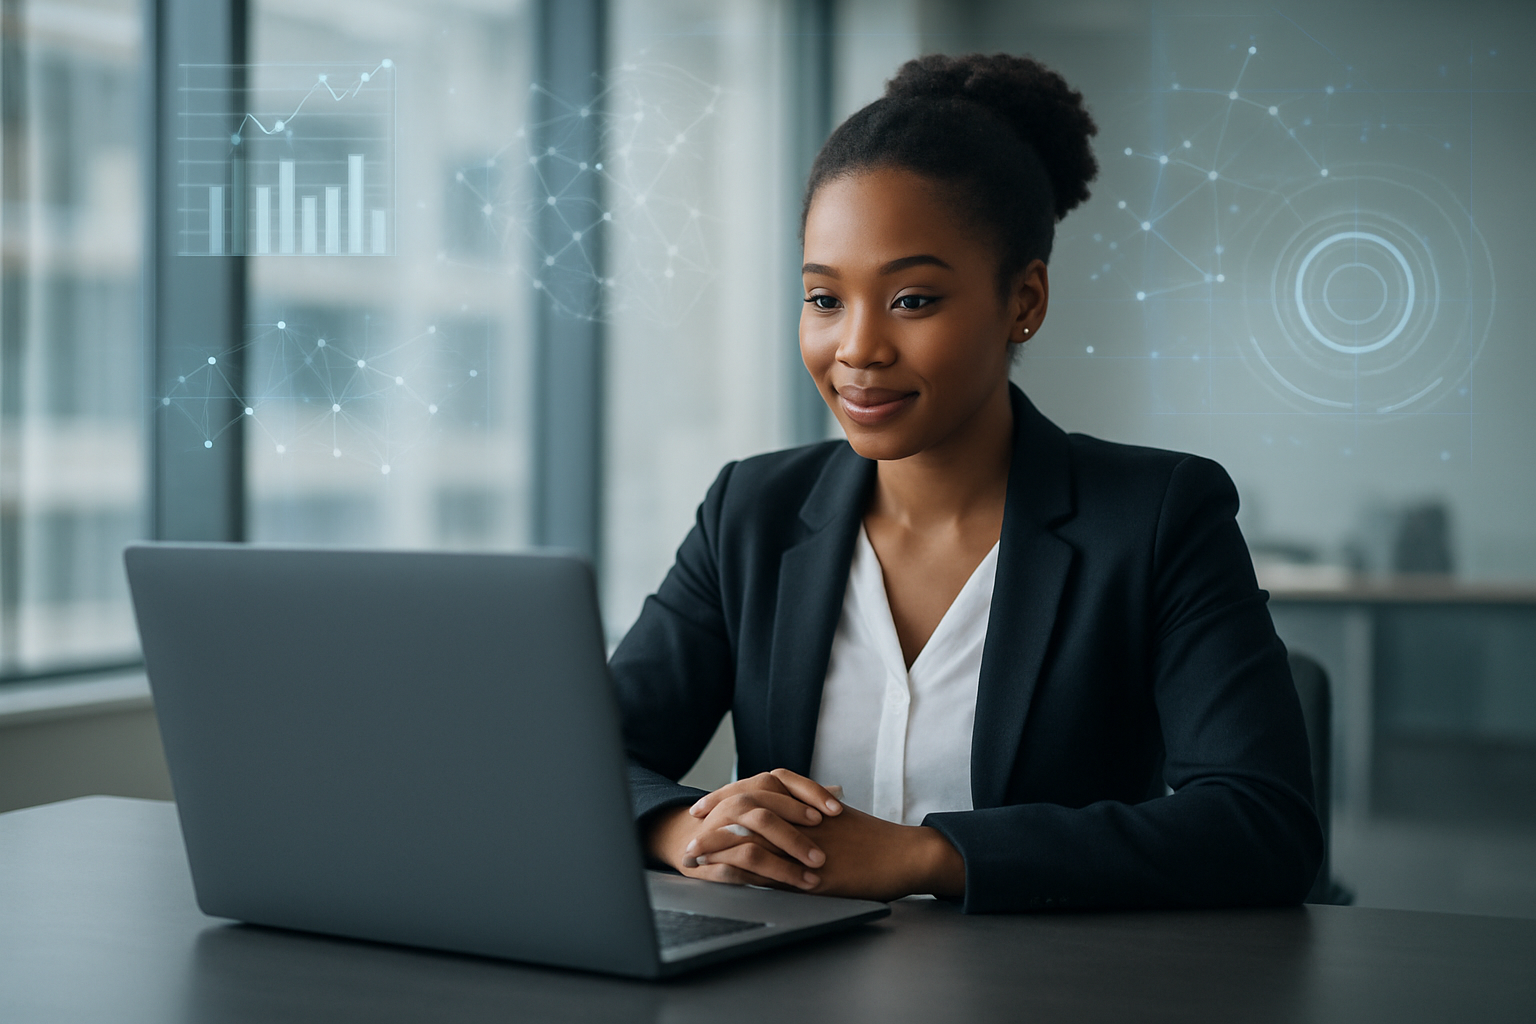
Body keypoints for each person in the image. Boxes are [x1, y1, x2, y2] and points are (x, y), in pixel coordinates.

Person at [610, 52, 1322, 913]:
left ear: (1023, 300)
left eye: (912, 299)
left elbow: (1262, 825)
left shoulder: (1158, 518)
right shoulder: (750, 514)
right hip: (786, 988)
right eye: (825, 298)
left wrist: (925, 858)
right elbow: (582, 758)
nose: (857, 349)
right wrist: (682, 832)